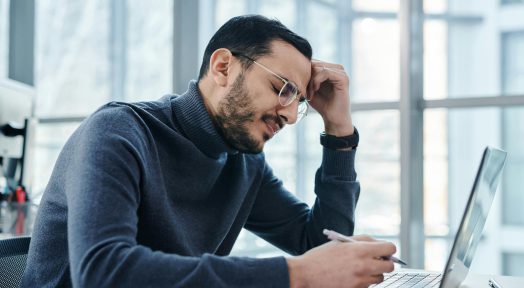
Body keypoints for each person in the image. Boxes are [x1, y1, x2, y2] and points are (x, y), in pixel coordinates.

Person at [22, 15, 397, 287]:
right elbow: (104, 271)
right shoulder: (118, 133)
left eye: (297, 101)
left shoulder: (244, 162)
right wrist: (294, 275)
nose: (289, 115)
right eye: (282, 88)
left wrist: (338, 131)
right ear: (222, 67)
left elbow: (319, 243)